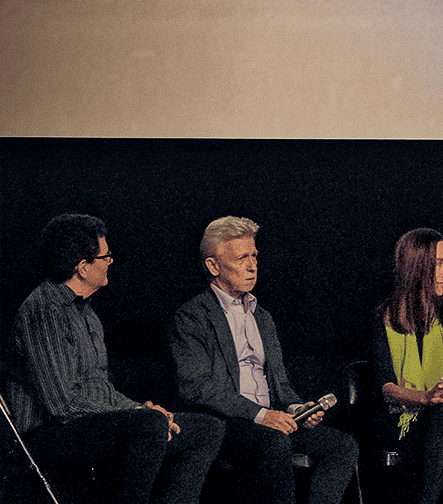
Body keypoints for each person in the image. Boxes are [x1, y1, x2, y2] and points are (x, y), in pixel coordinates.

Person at [5, 214, 225, 504]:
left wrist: (140, 408)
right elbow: (63, 403)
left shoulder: (86, 313)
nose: (111, 261)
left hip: (89, 424)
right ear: (82, 267)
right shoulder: (45, 311)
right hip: (48, 435)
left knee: (207, 429)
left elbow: (101, 391)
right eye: (105, 256)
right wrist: (141, 416)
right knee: (146, 427)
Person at [169, 216, 359, 504]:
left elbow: (279, 382)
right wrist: (261, 415)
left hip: (272, 419)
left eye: (254, 255)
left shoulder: (263, 317)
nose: (252, 265)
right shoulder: (192, 317)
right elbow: (196, 387)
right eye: (242, 257)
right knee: (273, 444)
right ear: (213, 266)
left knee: (343, 446)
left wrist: (298, 407)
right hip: (228, 423)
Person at [372, 228, 443, 504]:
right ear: (417, 267)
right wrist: (426, 397)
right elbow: (386, 387)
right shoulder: (383, 318)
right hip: (401, 426)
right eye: (440, 264)